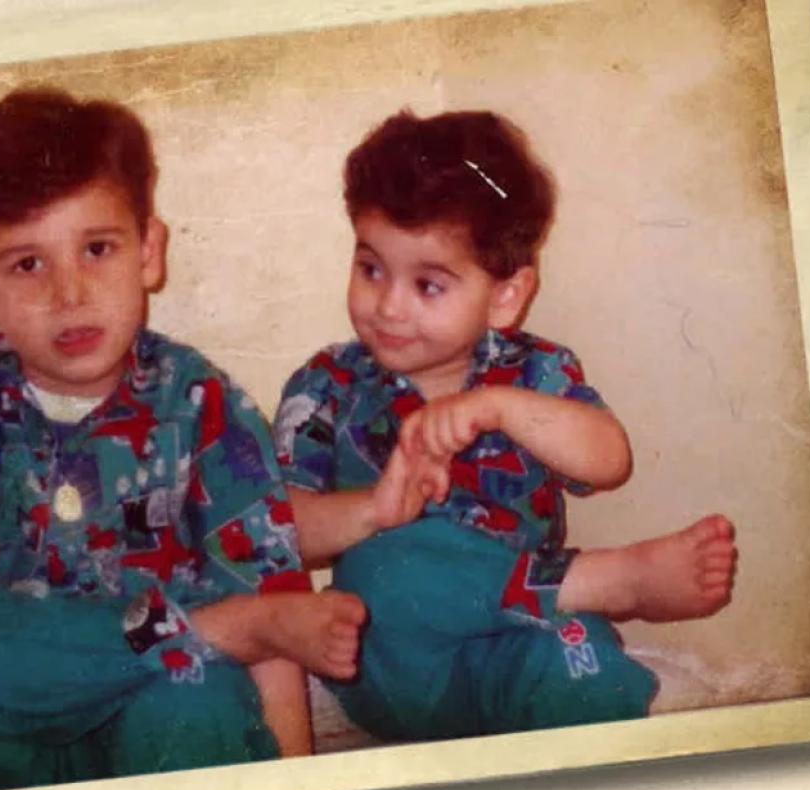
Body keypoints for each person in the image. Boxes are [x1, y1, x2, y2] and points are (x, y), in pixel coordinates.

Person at [0, 87, 365, 790]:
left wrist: (299, 788)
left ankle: (203, 642)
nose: (70, 293)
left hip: (174, 731)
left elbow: (274, 601)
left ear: (148, 252)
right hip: (21, 761)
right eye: (28, 264)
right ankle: (210, 629)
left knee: (195, 689)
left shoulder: (200, 402)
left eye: (97, 249)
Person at [273, 107, 738, 742]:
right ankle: (606, 581)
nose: (387, 305)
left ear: (506, 297)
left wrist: (498, 408)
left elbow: (609, 459)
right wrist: (376, 511)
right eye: (371, 268)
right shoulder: (327, 386)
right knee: (394, 566)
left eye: (428, 285)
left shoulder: (534, 372)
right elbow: (281, 536)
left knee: (583, 656)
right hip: (398, 657)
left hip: (521, 636)